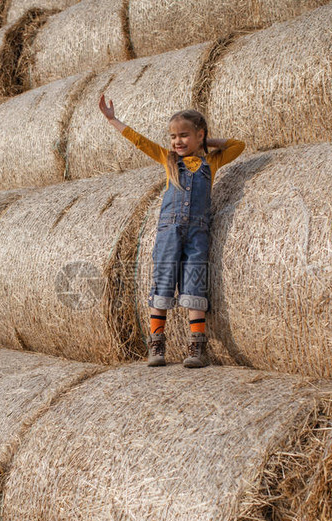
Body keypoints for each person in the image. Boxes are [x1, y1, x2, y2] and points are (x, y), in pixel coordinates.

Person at [98, 94, 245, 367]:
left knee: (194, 284)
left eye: (184, 135)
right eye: (173, 136)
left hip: (197, 234)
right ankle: (157, 346)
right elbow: (140, 142)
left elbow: (239, 145)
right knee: (163, 282)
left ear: (199, 135)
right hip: (168, 232)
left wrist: (205, 143)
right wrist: (113, 120)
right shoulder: (168, 160)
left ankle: (196, 349)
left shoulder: (209, 163)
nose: (177, 141)